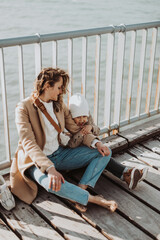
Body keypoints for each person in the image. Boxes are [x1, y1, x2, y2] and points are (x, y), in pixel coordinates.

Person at [9, 67, 143, 213]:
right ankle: (95, 199)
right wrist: (50, 168)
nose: (61, 91)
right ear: (47, 86)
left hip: (59, 154)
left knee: (104, 152)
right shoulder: (23, 108)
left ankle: (80, 189)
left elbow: (75, 129)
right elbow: (29, 143)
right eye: (59, 87)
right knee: (50, 184)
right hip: (35, 161)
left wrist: (96, 143)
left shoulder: (59, 105)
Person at [68, 93, 148, 190]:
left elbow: (97, 129)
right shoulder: (70, 125)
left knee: (103, 153)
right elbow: (72, 144)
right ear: (72, 116)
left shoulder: (87, 119)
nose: (82, 120)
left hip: (88, 148)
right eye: (78, 117)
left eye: (84, 116)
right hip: (77, 154)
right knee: (102, 153)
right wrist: (82, 134)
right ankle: (127, 174)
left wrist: (91, 127)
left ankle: (127, 175)